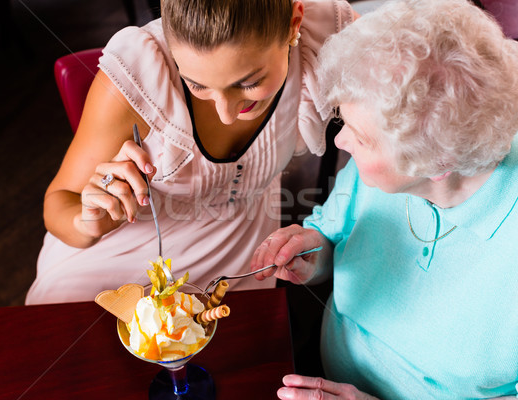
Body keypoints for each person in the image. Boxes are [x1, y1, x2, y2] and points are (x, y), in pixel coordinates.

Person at [250, 0, 518, 398]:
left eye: (360, 137)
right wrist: (314, 254)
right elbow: (334, 232)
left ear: (437, 162)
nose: (340, 142)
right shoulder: (385, 156)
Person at [25, 0, 359, 304]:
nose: (226, 113)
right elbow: (59, 199)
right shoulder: (139, 74)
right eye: (197, 85)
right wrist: (88, 223)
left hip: (239, 265)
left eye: (248, 83)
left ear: (293, 24)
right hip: (113, 261)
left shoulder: (330, 34)